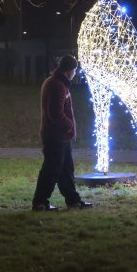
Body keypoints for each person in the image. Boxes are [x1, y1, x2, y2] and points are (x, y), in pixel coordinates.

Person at [32, 55, 93, 211]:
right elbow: (55, 114)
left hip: (61, 136)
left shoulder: (58, 83)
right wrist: (70, 125)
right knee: (51, 170)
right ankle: (40, 202)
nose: (76, 73)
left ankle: (73, 200)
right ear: (70, 70)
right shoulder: (56, 85)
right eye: (75, 69)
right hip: (55, 137)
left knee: (66, 169)